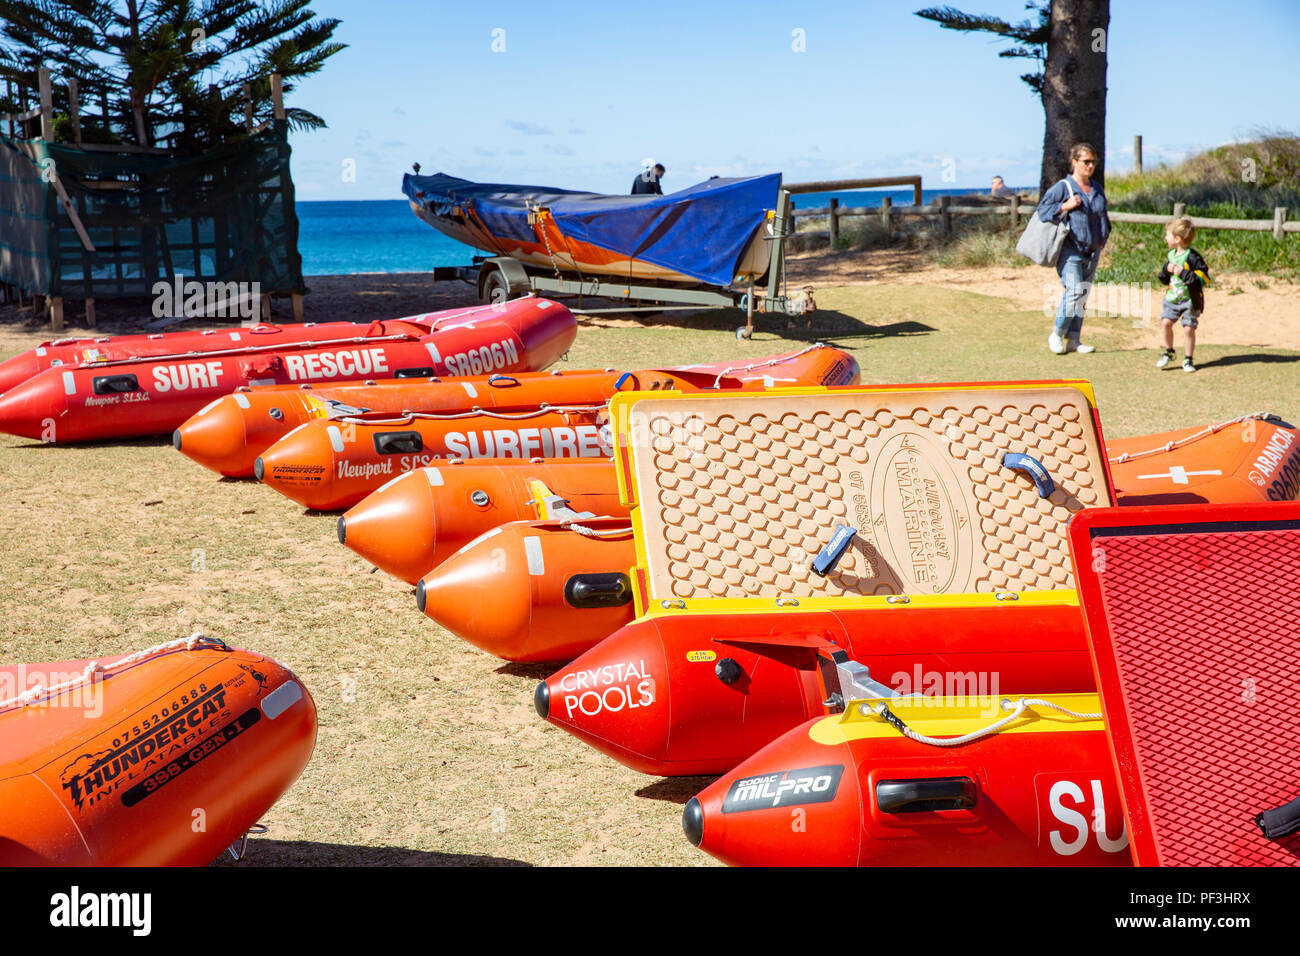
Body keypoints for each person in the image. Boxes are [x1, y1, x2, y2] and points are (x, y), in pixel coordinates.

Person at [1034, 143, 1111, 354]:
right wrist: (1064, 206)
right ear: (1074, 162)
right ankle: (1056, 334)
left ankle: (1074, 340)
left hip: (1092, 250)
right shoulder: (1062, 187)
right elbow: (1042, 210)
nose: (1090, 166)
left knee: (1082, 295)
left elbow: (1102, 215)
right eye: (1086, 161)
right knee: (1075, 290)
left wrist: (1103, 238)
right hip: (1070, 250)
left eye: (1093, 162)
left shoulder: (1096, 188)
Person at [1156, 217, 1211, 372]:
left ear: (1177, 239)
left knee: (1188, 329)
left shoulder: (1192, 256)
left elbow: (1203, 278)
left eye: (1167, 235)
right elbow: (1163, 279)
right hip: (1172, 299)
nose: (1165, 238)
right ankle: (1169, 351)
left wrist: (1184, 273)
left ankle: (1188, 359)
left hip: (1189, 301)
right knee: (1166, 323)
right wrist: (1166, 271)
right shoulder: (1171, 256)